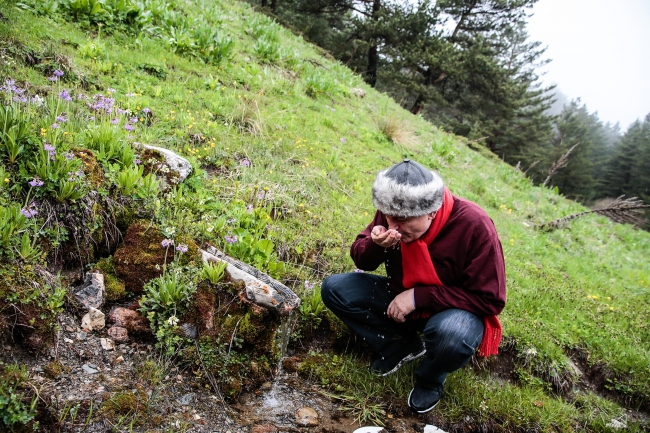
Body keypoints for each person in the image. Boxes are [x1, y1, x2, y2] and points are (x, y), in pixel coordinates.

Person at [321, 159, 506, 413]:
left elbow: (490, 299)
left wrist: (420, 297)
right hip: (400, 297)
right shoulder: (392, 214)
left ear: (432, 210)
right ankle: (400, 346)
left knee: (452, 336)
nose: (394, 228)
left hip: (451, 312)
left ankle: (431, 379)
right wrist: (377, 244)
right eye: (390, 218)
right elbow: (361, 258)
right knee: (335, 289)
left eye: (404, 222)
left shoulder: (475, 225)